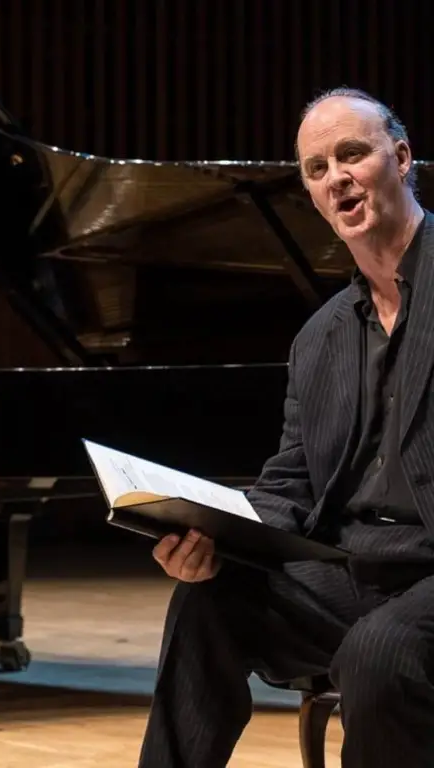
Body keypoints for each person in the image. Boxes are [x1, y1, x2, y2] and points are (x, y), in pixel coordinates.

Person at [139, 88, 434, 768]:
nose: (337, 177)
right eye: (316, 168)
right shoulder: (320, 338)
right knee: (205, 600)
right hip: (354, 569)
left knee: (378, 654)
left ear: (401, 157)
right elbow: (292, 483)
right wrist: (208, 534)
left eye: (352, 155)